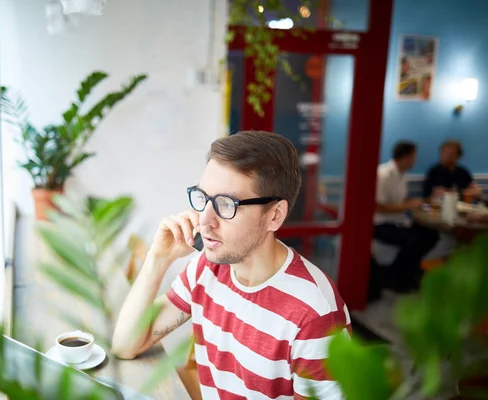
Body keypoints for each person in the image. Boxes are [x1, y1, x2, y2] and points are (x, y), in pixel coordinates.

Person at [112, 131, 350, 399]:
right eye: (203, 198)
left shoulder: (314, 315)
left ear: (274, 215)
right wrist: (158, 258)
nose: (206, 220)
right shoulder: (206, 268)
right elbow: (125, 345)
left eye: (226, 204)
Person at [374, 141, 439, 291]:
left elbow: (402, 201)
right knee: (414, 241)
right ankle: (395, 278)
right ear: (407, 156)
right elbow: (379, 207)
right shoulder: (383, 174)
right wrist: (409, 205)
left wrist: (422, 202)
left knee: (431, 235)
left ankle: (408, 273)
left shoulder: (402, 175)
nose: (415, 160)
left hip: (399, 221)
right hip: (381, 224)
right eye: (414, 156)